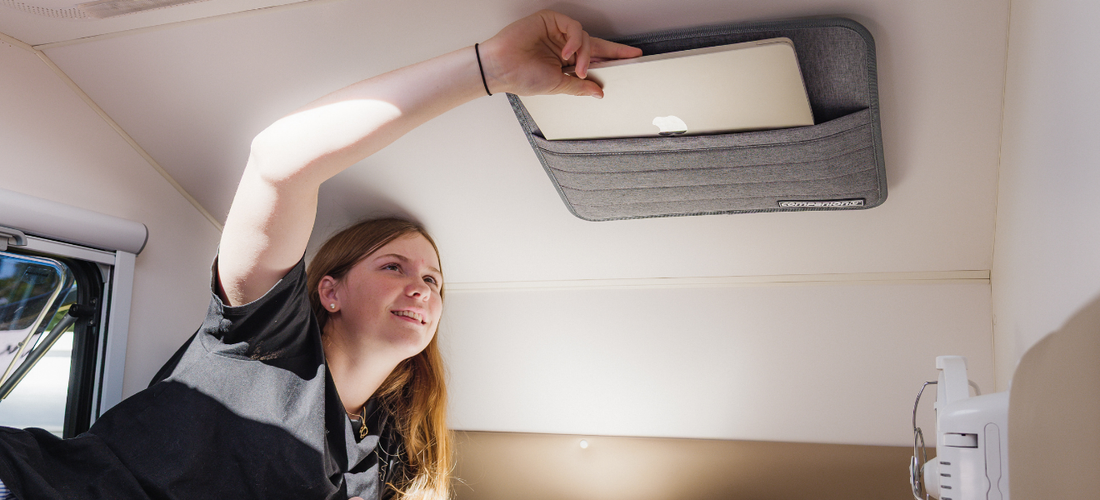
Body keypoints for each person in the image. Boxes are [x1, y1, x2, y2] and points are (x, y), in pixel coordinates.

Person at [0, 9, 641, 500]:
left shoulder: (386, 460)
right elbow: (278, 161)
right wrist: (491, 67)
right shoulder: (261, 343)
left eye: (434, 281)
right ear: (328, 291)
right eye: (394, 267)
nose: (422, 288)